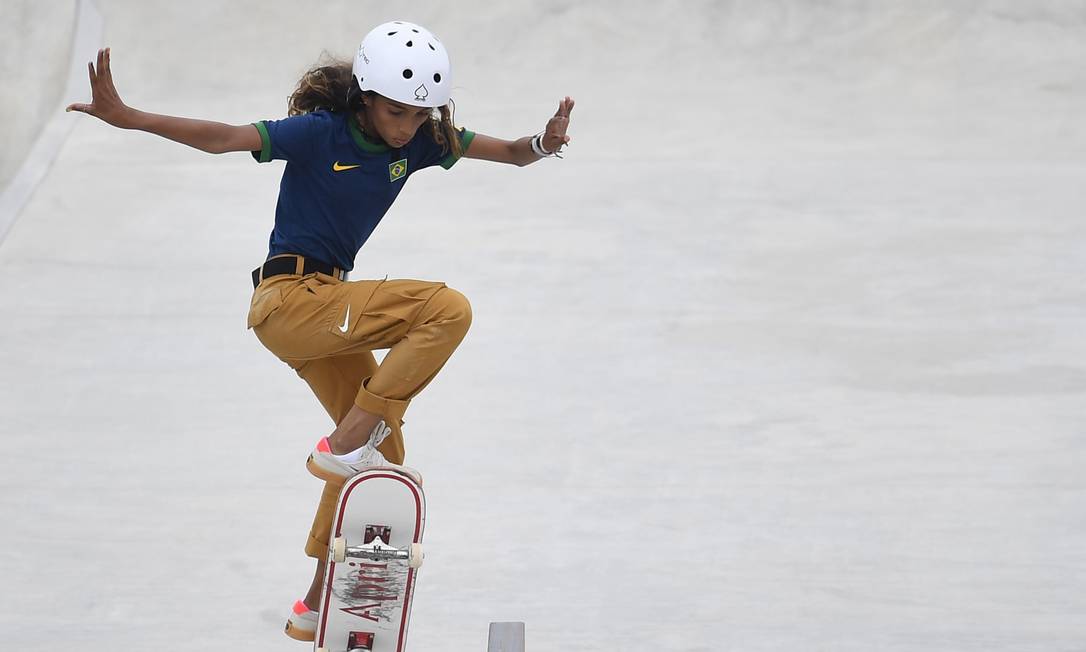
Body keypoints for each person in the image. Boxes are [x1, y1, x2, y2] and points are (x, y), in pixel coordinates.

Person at [66, 20, 574, 642]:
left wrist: (544, 143)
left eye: (420, 115)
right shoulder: (318, 133)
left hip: (327, 309)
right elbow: (227, 137)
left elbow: (511, 154)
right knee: (448, 309)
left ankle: (313, 604)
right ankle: (341, 442)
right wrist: (133, 118)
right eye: (396, 112)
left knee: (381, 461)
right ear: (365, 97)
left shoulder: (420, 143)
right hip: (288, 300)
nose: (408, 127)